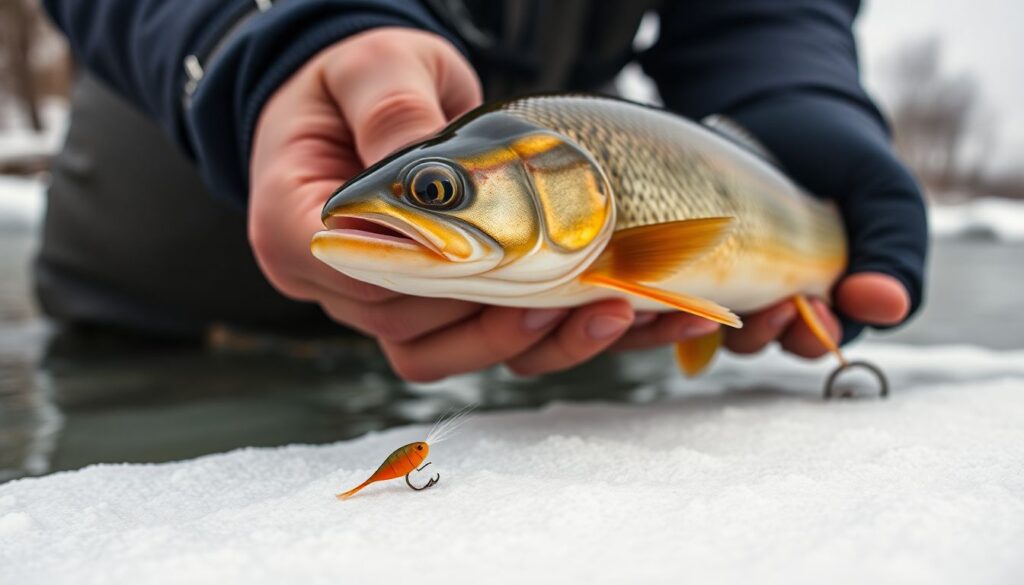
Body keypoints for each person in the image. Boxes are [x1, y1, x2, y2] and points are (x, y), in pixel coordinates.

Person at [37, 0, 927, 382]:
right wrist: (252, 37)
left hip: (550, 253)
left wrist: (785, 91)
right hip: (175, 183)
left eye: (434, 190)